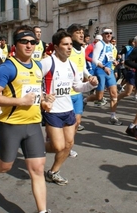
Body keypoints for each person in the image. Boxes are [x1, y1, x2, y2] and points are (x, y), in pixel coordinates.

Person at [0, 26, 52, 213]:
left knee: (37, 169)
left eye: (33, 42)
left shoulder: (37, 66)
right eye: (24, 41)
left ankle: (42, 211)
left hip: (34, 124)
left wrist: (44, 101)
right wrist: (21, 101)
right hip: (11, 125)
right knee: (5, 166)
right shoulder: (7, 67)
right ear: (15, 44)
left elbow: (35, 94)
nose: (29, 45)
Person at [41, 30, 97, 185]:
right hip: (53, 111)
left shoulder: (72, 65)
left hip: (68, 109)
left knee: (69, 144)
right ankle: (35, 146)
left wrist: (91, 84)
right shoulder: (48, 62)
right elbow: (32, 81)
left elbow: (77, 87)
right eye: (65, 44)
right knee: (59, 146)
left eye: (70, 44)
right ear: (56, 47)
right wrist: (43, 96)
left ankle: (53, 172)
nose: (69, 47)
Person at [85, 28, 121, 125]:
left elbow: (108, 56)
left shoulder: (110, 45)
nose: (108, 35)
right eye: (106, 33)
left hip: (109, 71)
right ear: (103, 34)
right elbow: (94, 60)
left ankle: (113, 116)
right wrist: (104, 67)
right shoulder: (99, 44)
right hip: (101, 71)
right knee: (99, 97)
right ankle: (85, 100)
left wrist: (114, 61)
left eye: (110, 33)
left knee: (114, 94)